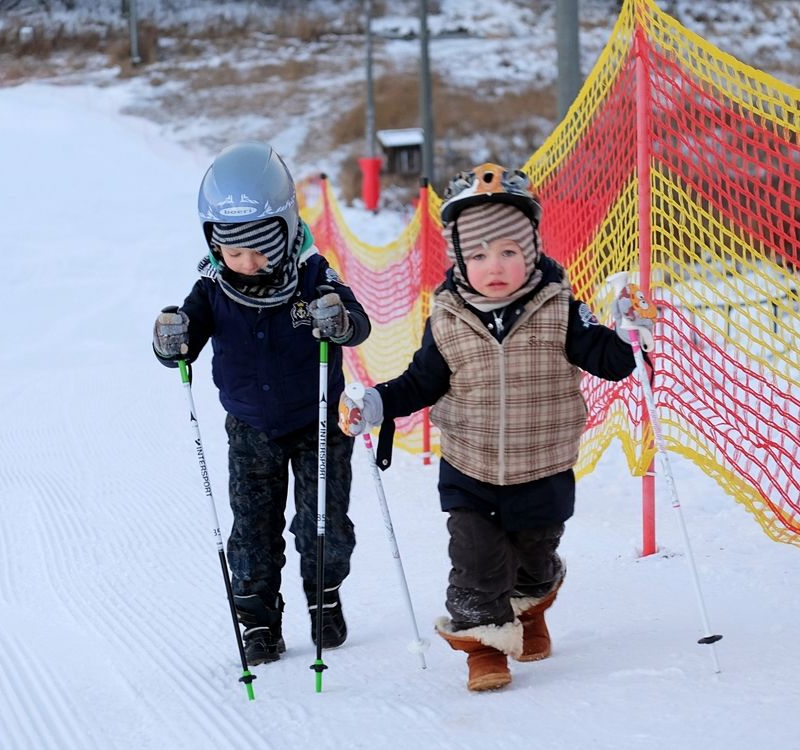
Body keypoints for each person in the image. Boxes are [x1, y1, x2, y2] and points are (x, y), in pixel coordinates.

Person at [338, 163, 651, 691]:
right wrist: (375, 403)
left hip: (544, 463)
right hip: (471, 465)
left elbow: (613, 361)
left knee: (534, 557)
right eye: (479, 254)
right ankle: (482, 647)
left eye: (509, 251)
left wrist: (631, 332)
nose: (495, 266)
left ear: (531, 248)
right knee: (475, 562)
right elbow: (420, 382)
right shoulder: (446, 318)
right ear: (460, 257)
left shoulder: (562, 311)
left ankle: (529, 612)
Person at [152, 141, 371, 665]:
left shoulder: (314, 274)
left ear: (288, 230)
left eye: (261, 249)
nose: (248, 264)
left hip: (319, 421)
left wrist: (336, 319)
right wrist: (171, 340)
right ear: (214, 245)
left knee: (324, 523)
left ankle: (324, 595)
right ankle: (259, 621)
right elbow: (182, 345)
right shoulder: (211, 289)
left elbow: (357, 322)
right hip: (250, 427)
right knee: (251, 530)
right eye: (233, 252)